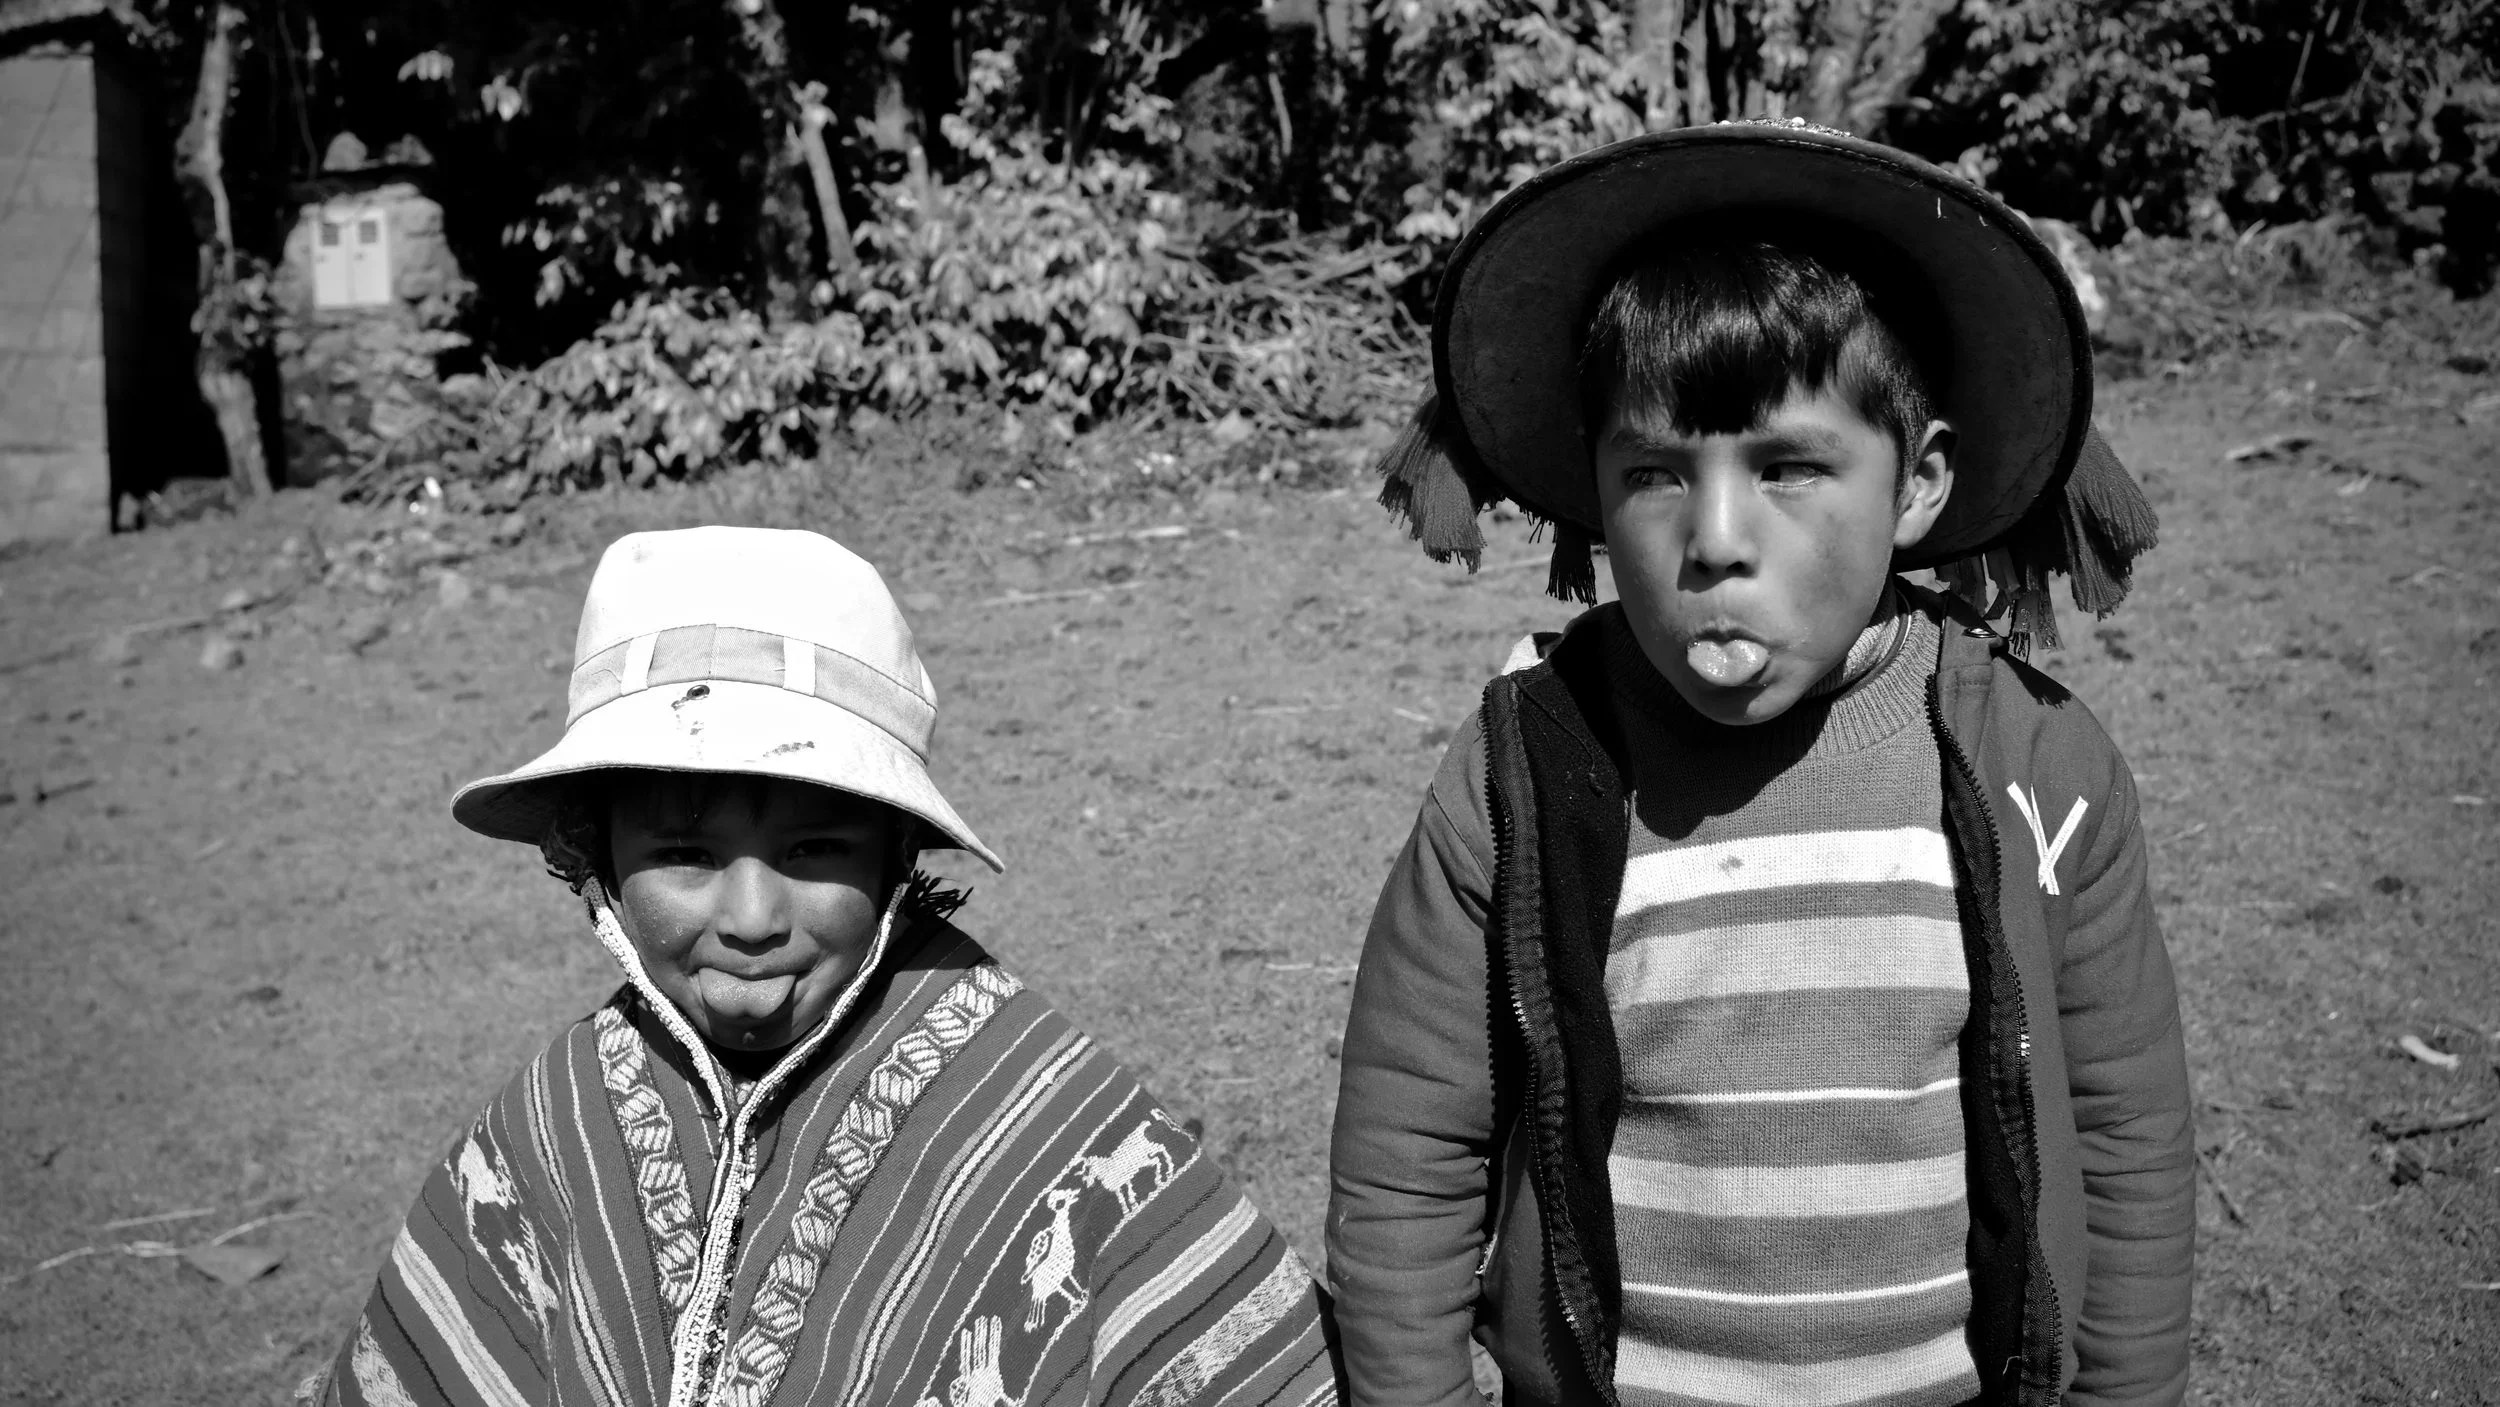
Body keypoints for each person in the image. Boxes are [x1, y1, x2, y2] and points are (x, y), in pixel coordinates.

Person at [1327, 122, 2189, 1407]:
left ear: (1917, 484)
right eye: (1655, 474)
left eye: (1787, 467)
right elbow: (1409, 1148)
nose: (1714, 540)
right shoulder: (1523, 773)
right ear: (1593, 494)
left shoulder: (2038, 769)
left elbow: (2125, 1135)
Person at [311, 526, 1339, 1407]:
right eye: (685, 855)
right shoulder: (552, 1132)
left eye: (815, 852)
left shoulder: (1043, 1128)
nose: (753, 918)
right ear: (595, 856)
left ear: (897, 854)